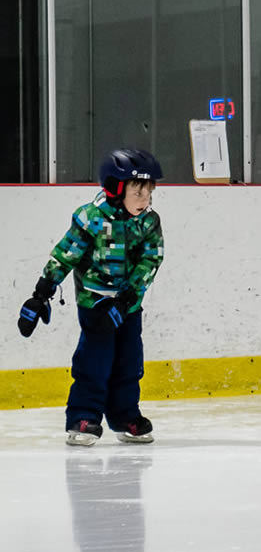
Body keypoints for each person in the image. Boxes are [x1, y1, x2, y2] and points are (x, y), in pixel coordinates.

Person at [18, 148, 166, 446]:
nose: (144, 200)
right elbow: (66, 254)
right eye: (137, 193)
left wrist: (126, 300)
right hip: (95, 304)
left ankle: (125, 417)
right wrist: (42, 292)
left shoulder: (148, 222)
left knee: (129, 362)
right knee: (94, 361)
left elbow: (151, 260)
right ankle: (83, 418)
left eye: (148, 193)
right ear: (115, 188)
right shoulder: (91, 218)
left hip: (128, 307)